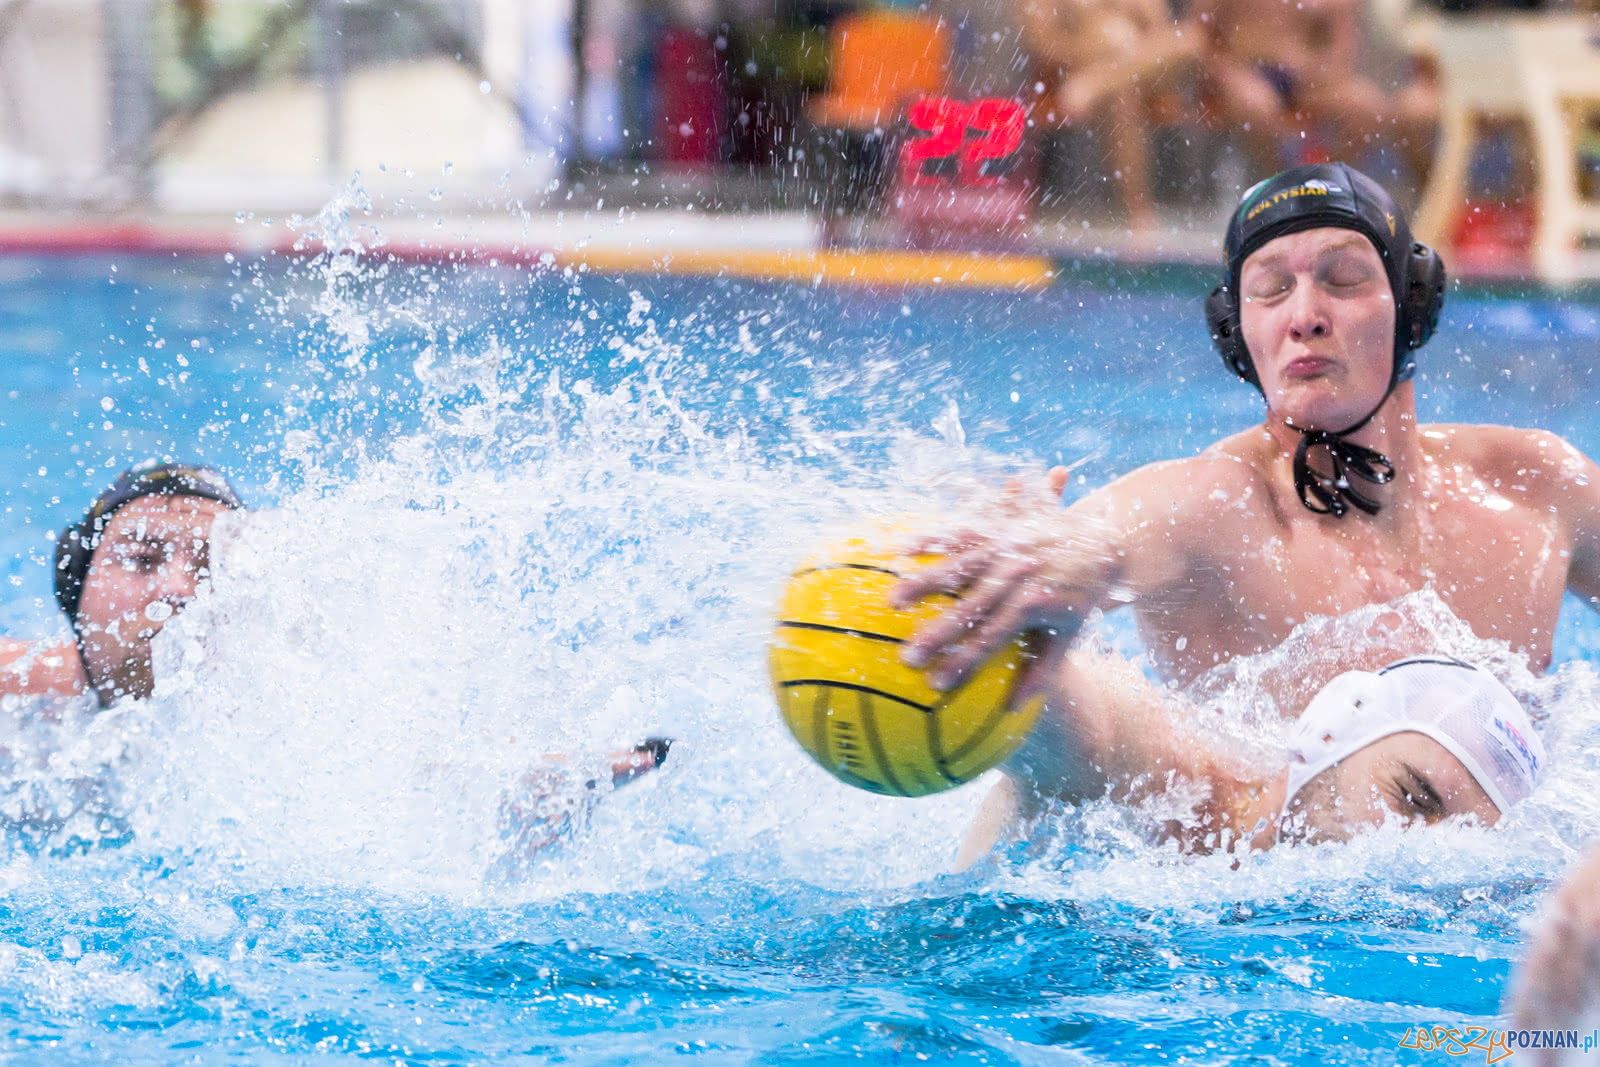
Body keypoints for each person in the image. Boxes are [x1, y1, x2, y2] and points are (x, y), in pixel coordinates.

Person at [893, 162, 1600, 718]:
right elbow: (1106, 538)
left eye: (1344, 277)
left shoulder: (1537, 487)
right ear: (1237, 338)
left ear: (1413, 305)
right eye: (1269, 290)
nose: (1305, 315)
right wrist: (1050, 556)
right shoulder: (1216, 506)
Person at [0, 461, 669, 857]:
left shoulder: (284, 718)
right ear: (76, 589)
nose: (178, 589)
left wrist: (529, 778)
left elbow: (427, 762)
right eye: (143, 559)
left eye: (209, 567)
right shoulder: (23, 695)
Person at [956, 650, 1545, 867]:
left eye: (1459, 837)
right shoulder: (1170, 782)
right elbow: (1073, 712)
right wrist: (1011, 635)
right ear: (1333, 732)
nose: (1421, 848)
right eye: (1412, 798)